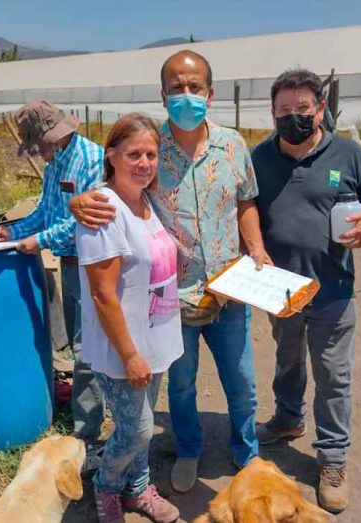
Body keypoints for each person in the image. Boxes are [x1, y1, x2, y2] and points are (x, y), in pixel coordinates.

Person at [70, 50, 271, 493]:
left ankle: (247, 453)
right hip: (172, 299)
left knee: (241, 383)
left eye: (194, 87)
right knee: (180, 386)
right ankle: (188, 449)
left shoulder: (233, 144)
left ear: (210, 93)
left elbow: (246, 202)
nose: (186, 95)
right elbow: (112, 187)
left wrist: (255, 246)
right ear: (163, 95)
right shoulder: (149, 148)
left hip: (229, 288)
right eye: (176, 87)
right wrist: (76, 201)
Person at [250, 69, 361, 513]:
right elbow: (245, 206)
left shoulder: (347, 153)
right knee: (287, 360)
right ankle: (288, 419)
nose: (293, 118)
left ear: (320, 109)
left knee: (333, 375)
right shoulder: (259, 158)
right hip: (282, 289)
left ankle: (332, 459)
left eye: (302, 110)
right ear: (272, 113)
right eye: (284, 111)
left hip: (333, 289)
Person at [76, 113, 182, 523]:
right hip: (123, 348)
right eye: (134, 153)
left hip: (154, 337)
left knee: (142, 424)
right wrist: (130, 355)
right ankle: (106, 487)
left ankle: (138, 491)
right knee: (135, 430)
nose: (144, 163)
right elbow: (103, 294)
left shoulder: (146, 202)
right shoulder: (104, 210)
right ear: (112, 156)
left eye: (151, 154)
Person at [0, 100, 106, 446]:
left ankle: (87, 432)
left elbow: (82, 223)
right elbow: (46, 210)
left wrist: (37, 241)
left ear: (53, 138)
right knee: (78, 346)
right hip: (70, 266)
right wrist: (14, 232)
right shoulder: (56, 164)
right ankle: (91, 411)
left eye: (38, 148)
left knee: (88, 352)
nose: (39, 155)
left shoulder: (91, 161)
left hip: (92, 265)